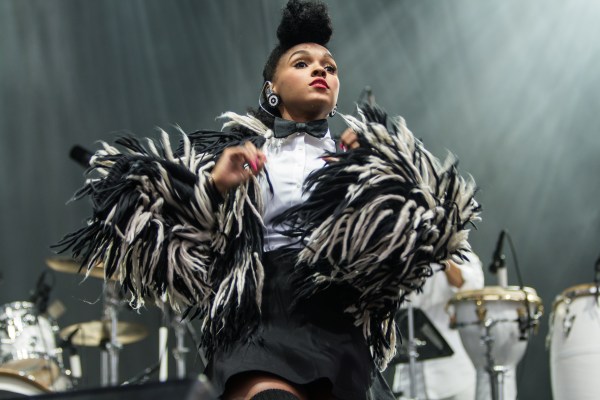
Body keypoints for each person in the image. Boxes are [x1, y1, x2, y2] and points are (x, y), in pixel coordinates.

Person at [57, 1, 480, 399]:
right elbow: (159, 236)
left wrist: (385, 173)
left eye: (330, 68)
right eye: (302, 64)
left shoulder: (362, 157)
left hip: (337, 315)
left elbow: (435, 228)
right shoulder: (233, 157)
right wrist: (213, 189)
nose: (321, 71)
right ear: (271, 87)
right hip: (260, 313)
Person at [392, 255, 484, 400]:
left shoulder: (459, 253)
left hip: (454, 379)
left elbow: (472, 287)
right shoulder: (400, 256)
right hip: (410, 380)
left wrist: (441, 253)